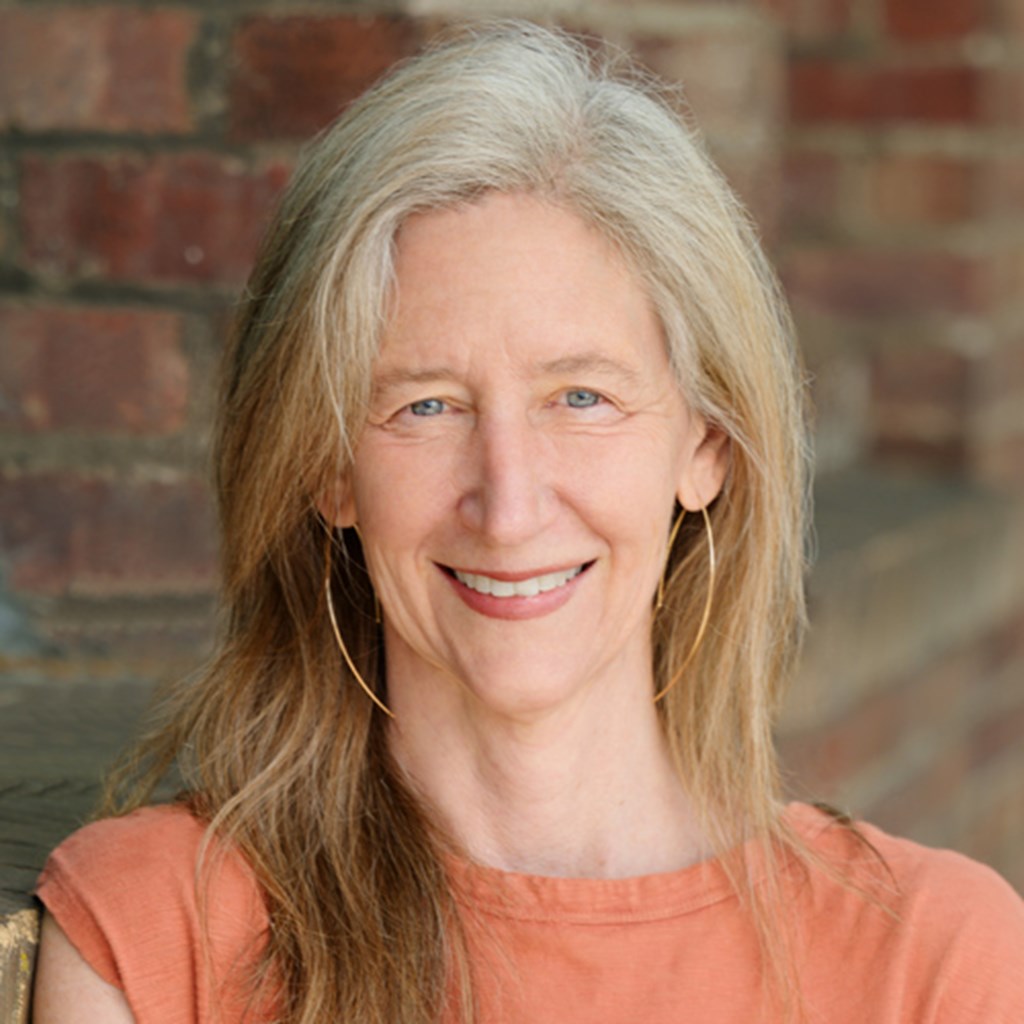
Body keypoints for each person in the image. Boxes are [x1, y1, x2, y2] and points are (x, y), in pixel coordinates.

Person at [32, 21, 1024, 1024]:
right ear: (326, 465)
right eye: (426, 405)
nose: (508, 508)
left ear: (706, 446)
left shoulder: (938, 962)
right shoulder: (156, 938)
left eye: (581, 397)